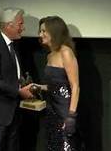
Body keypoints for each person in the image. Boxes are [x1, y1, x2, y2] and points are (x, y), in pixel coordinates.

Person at [0, 7, 34, 151]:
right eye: (20, 24)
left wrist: (26, 85)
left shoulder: (13, 45)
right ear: (8, 25)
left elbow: (13, 75)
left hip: (13, 113)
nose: (23, 28)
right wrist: (19, 92)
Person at [34, 16, 80, 151]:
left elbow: (75, 86)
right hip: (51, 110)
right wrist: (38, 87)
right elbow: (55, 86)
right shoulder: (50, 55)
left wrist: (71, 116)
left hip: (64, 109)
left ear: (54, 31)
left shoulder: (66, 52)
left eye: (43, 31)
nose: (40, 34)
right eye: (40, 31)